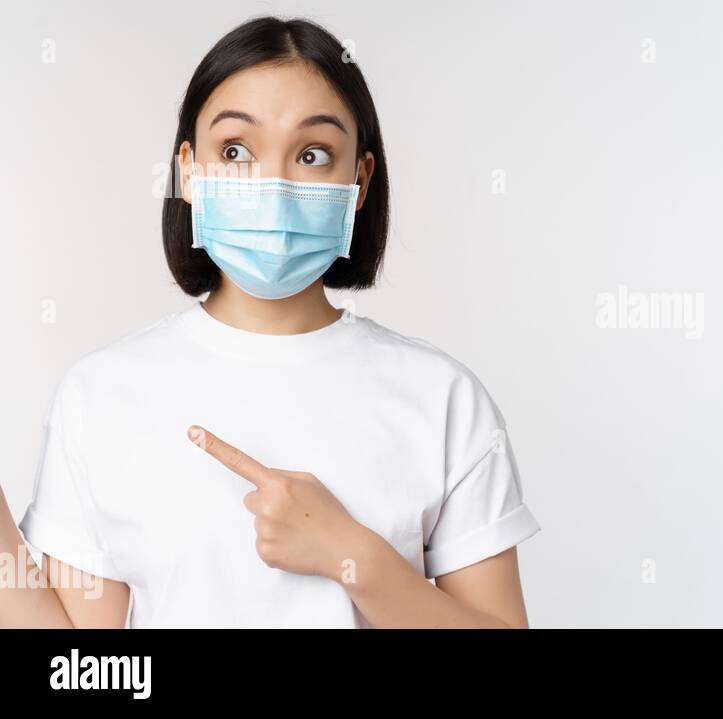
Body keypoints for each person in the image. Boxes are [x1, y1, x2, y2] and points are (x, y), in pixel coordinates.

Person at [0, 16, 541, 628]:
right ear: (189, 169)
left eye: (313, 154)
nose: (274, 185)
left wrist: (354, 555)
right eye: (235, 151)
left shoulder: (444, 400)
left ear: (358, 182)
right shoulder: (100, 395)